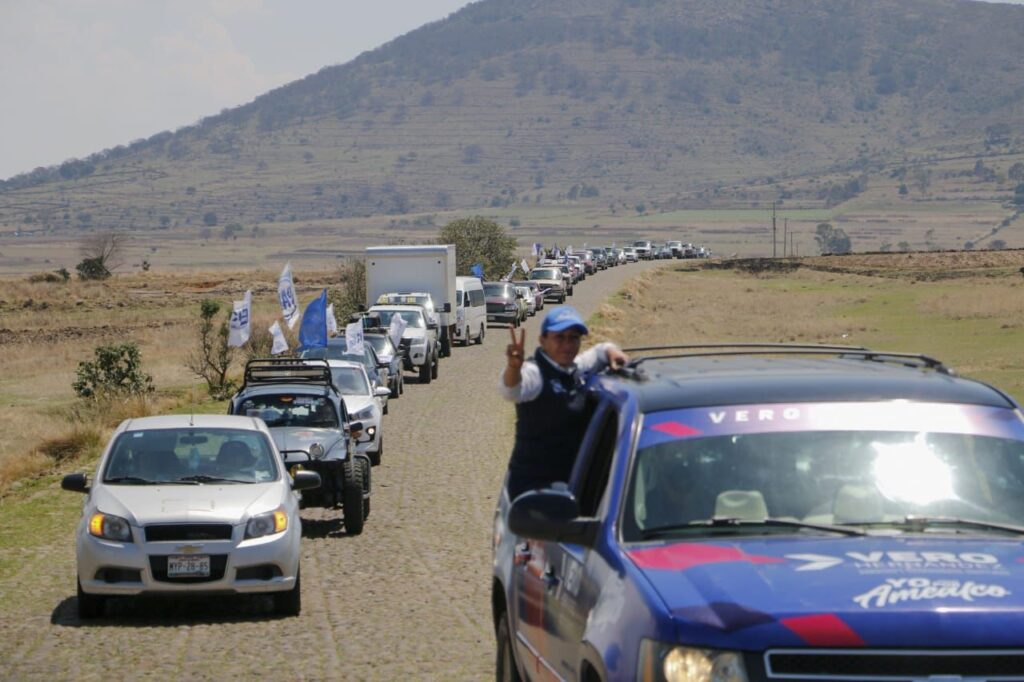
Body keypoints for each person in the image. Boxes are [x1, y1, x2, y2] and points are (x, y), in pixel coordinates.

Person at [499, 305, 628, 499]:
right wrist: (513, 367)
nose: (567, 345)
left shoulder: (576, 367)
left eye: (573, 338)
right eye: (559, 337)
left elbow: (601, 351)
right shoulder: (536, 373)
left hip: (574, 486)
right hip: (533, 494)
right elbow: (511, 391)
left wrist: (613, 352)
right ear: (543, 340)